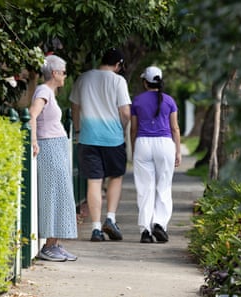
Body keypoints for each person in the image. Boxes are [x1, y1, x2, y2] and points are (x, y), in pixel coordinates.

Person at [69, 48, 131, 242]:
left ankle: (96, 228)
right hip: (113, 139)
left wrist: (78, 131)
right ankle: (110, 218)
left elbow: (75, 108)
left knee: (93, 181)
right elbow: (126, 112)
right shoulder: (118, 81)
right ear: (118, 65)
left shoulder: (83, 78)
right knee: (115, 177)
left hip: (88, 137)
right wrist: (122, 127)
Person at [29, 55, 78, 261]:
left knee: (62, 194)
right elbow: (32, 114)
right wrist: (33, 140)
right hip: (48, 147)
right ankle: (48, 246)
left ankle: (56, 243)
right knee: (53, 195)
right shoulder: (43, 90)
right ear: (56, 73)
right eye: (64, 72)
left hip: (56, 146)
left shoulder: (49, 92)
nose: (65, 76)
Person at [130, 66, 181, 244]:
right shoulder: (169, 101)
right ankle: (159, 223)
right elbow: (175, 128)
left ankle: (145, 230)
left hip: (143, 143)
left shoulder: (137, 101)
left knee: (145, 188)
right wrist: (178, 151)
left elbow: (134, 129)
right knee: (164, 186)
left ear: (145, 83)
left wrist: (133, 148)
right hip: (165, 144)